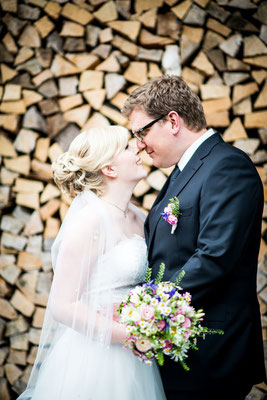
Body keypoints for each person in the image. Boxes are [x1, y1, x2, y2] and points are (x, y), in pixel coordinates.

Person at [122, 75, 266, 400]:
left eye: (142, 131)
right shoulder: (182, 172)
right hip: (179, 348)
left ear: (172, 120)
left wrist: (148, 308)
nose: (140, 145)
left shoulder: (227, 167)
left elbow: (215, 256)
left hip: (212, 352)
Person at [18, 126, 166, 400]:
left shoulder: (138, 215)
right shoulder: (89, 222)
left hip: (138, 350)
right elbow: (64, 306)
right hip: (99, 357)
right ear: (109, 169)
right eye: (126, 147)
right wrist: (129, 336)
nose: (139, 147)